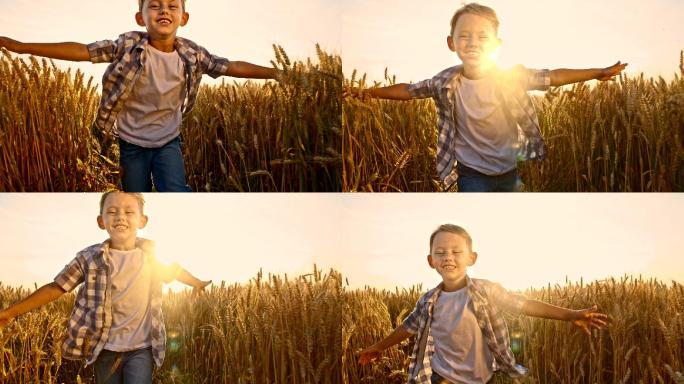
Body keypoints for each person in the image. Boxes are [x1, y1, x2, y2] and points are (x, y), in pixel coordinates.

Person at [0, 0, 279, 192]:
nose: (163, 10)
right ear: (140, 17)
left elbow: (230, 66)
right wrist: (23, 47)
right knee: (135, 194)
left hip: (168, 140)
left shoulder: (193, 54)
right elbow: (84, 51)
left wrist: (277, 73)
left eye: (172, 5)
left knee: (176, 193)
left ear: (184, 17)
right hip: (130, 142)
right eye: (154, 5)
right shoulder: (128, 45)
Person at [346, 3, 627, 192]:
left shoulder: (510, 77)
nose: (473, 42)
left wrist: (596, 73)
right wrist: (365, 92)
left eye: (483, 36)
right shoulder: (445, 82)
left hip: (508, 168)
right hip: (471, 173)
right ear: (451, 43)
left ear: (497, 45)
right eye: (464, 36)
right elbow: (408, 91)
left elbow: (552, 76)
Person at [0, 191, 212, 384]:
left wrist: (197, 283)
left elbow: (174, 271)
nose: (120, 216)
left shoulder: (152, 254)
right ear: (101, 221)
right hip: (104, 347)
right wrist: (11, 312)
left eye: (129, 211)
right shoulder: (89, 258)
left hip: (142, 347)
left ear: (142, 221)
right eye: (112, 211)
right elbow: (57, 287)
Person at [357, 224, 609, 384]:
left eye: (456, 251)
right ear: (430, 260)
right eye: (441, 252)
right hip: (442, 376)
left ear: (472, 258)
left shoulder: (486, 290)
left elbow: (524, 305)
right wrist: (379, 346)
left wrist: (570, 315)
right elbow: (408, 327)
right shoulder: (427, 301)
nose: (448, 257)